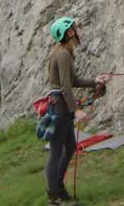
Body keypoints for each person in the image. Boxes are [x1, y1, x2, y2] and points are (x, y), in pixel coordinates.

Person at [44, 16, 109, 206]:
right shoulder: (62, 54)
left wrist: (95, 80)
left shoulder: (66, 52)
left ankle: (59, 190)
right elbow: (65, 86)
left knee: (70, 147)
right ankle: (54, 197)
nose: (77, 29)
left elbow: (73, 81)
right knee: (56, 152)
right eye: (74, 27)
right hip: (59, 105)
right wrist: (76, 110)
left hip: (61, 104)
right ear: (69, 32)